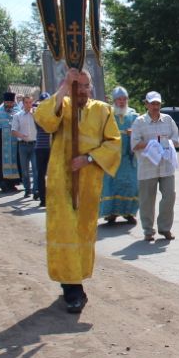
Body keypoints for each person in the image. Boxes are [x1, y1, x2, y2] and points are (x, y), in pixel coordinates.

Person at [35, 68, 121, 312]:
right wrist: (63, 87)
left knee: (81, 234)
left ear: (91, 87)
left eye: (85, 86)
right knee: (64, 231)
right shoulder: (63, 105)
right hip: (61, 180)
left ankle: (73, 281)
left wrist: (89, 159)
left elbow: (113, 143)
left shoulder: (102, 110)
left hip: (87, 184)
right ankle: (73, 290)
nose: (81, 90)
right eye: (77, 85)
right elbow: (45, 120)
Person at [130, 91, 179, 242]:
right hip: (147, 167)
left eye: (157, 104)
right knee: (147, 200)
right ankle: (148, 230)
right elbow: (134, 144)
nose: (155, 106)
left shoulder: (168, 120)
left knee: (169, 196)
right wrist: (151, 144)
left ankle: (165, 228)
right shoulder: (139, 122)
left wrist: (168, 144)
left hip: (166, 166)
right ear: (146, 104)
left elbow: (177, 141)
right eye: (152, 103)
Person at [99, 86, 140, 225]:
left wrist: (133, 133)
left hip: (128, 157)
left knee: (130, 184)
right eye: (119, 99)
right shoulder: (107, 114)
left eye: (124, 99)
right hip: (113, 156)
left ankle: (129, 213)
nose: (121, 102)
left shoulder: (134, 115)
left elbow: (141, 132)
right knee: (111, 184)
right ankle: (111, 213)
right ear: (114, 100)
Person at [0, 91, 21, 193]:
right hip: (2, 146)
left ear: (13, 103)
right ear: (4, 102)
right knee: (1, 164)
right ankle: (3, 183)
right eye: (7, 102)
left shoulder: (18, 114)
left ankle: (12, 184)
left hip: (15, 146)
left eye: (11, 103)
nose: (9, 104)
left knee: (16, 162)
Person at [11, 94, 39, 199]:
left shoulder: (36, 114)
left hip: (34, 144)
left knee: (36, 168)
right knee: (25, 170)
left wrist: (35, 115)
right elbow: (13, 131)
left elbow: (43, 125)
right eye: (26, 103)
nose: (28, 105)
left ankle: (36, 190)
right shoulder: (17, 115)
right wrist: (22, 136)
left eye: (30, 102)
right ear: (23, 103)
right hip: (23, 145)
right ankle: (27, 189)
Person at [33, 93, 52, 205]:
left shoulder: (39, 114)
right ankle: (43, 199)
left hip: (50, 147)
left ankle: (49, 197)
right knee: (41, 174)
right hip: (41, 147)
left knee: (51, 174)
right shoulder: (38, 114)